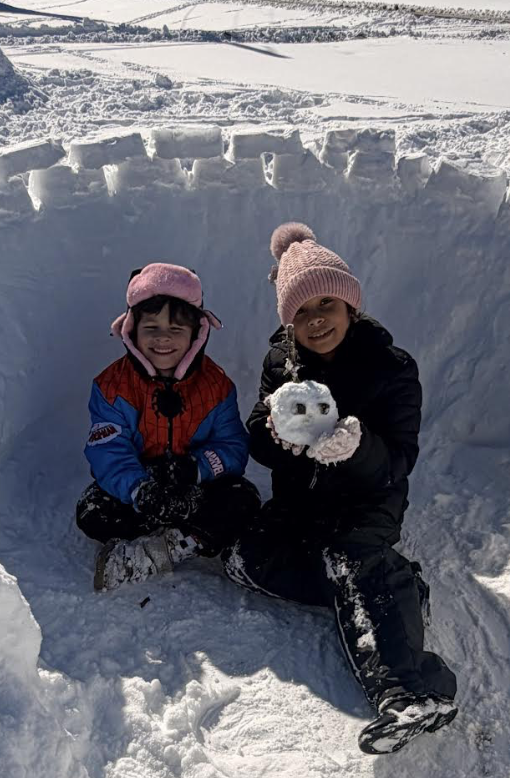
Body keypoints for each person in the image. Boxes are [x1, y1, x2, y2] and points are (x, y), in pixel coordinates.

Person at [223, 223, 458, 756]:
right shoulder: (279, 364)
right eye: (301, 312)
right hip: (300, 505)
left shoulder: (393, 369)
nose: (316, 320)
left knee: (348, 555)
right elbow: (258, 439)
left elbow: (399, 461)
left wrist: (356, 447)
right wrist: (277, 432)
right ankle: (392, 589)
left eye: (326, 302)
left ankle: (411, 691)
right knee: (243, 558)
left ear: (351, 305)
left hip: (366, 502)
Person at [76, 263, 260, 591]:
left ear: (196, 334)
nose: (163, 338)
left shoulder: (217, 386)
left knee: (242, 500)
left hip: (193, 486)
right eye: (152, 327)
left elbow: (233, 446)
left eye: (176, 329)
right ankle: (165, 525)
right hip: (141, 489)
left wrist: (195, 470)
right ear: (132, 331)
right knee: (93, 511)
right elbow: (108, 449)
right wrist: (141, 490)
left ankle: (169, 547)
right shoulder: (111, 387)